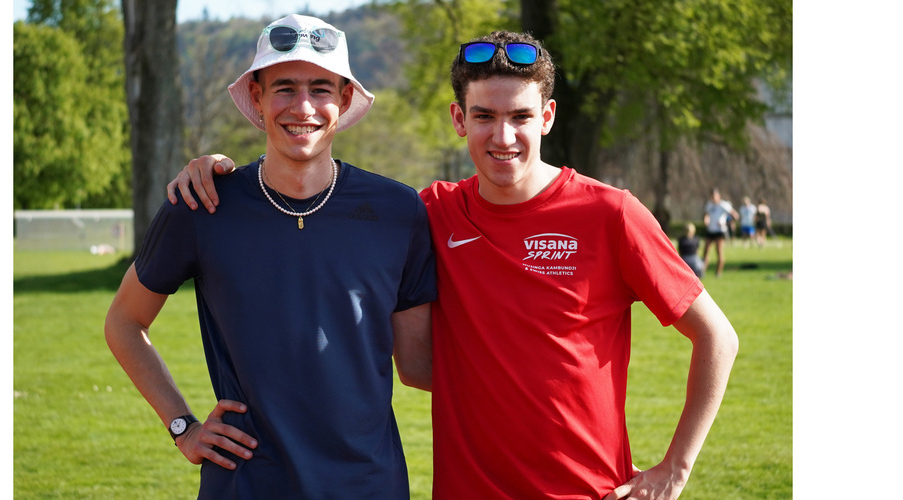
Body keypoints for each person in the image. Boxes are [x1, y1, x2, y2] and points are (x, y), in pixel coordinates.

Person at [171, 31, 739, 500]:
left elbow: (717, 337)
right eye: (484, 115)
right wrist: (222, 173)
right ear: (458, 118)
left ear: (547, 117)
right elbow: (326, 213)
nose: (503, 136)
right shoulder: (427, 214)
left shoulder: (610, 213)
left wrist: (674, 469)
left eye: (520, 116)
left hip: (589, 491)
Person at [105, 14, 436, 499]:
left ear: (344, 100)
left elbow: (420, 364)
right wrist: (183, 426)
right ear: (257, 98)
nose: (303, 107)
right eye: (285, 88)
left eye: (320, 89)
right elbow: (124, 322)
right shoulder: (204, 204)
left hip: (368, 485)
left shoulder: (397, 210)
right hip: (245, 483)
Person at [702, 188, 738, 277]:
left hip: (720, 231)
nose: (713, 198)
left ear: (718, 196)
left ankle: (718, 273)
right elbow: (706, 214)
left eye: (714, 196)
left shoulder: (723, 205)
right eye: (712, 196)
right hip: (710, 230)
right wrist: (706, 220)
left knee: (718, 251)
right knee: (706, 251)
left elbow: (735, 216)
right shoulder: (709, 205)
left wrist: (726, 223)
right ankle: (702, 271)